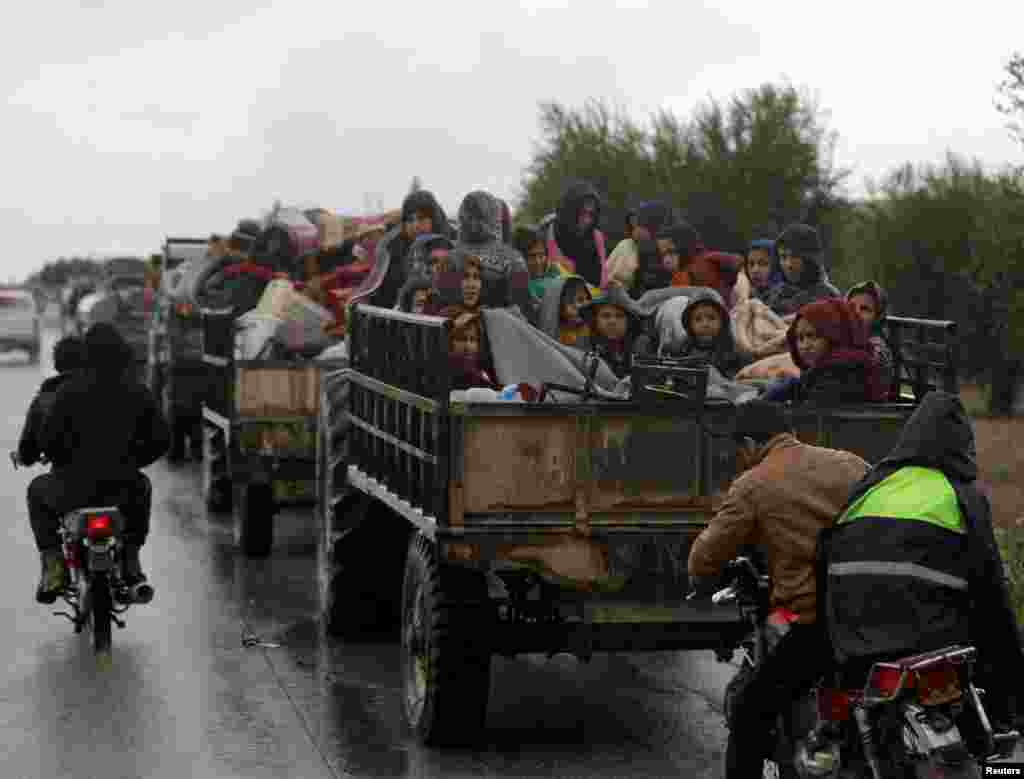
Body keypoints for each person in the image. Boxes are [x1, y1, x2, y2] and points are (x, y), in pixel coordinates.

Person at [687, 400, 871, 779]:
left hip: (815, 620)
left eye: (740, 448)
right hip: (872, 610)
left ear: (752, 444)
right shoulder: (850, 463)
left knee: (751, 711)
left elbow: (705, 556)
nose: (740, 457)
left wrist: (700, 581)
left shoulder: (754, 484)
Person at [820, 391, 1024, 730]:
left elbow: (823, 555)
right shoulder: (960, 494)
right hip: (929, 640)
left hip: (854, 641)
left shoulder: (871, 485)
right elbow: (990, 587)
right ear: (962, 445)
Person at [31, 323, 170, 603]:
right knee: (143, 486)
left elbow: (47, 441)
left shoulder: (67, 393)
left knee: (36, 491)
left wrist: (64, 460)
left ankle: (54, 565)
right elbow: (161, 440)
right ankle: (131, 561)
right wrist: (133, 462)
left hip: (70, 491)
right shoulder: (138, 391)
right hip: (124, 490)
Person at [761, 297, 888, 405]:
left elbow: (811, 413)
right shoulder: (826, 368)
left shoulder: (843, 371)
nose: (805, 346)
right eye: (800, 338)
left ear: (834, 336)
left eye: (812, 336)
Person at [358, 190, 451, 310]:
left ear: (434, 218)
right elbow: (379, 291)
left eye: (422, 218)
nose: (415, 225)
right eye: (410, 220)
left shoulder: (448, 245)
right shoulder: (392, 250)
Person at [452, 191, 530, 312]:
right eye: (471, 217)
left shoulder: (452, 257)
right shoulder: (513, 259)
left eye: (478, 217)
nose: (474, 224)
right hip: (491, 325)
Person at [17, 336, 86, 468]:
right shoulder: (107, 391)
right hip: (111, 475)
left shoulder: (46, 396)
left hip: (66, 477)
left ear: (56, 365)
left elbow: (27, 453)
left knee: (38, 486)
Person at [650, 289, 751, 379]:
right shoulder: (682, 349)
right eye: (698, 319)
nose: (705, 324)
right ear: (689, 325)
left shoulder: (731, 351)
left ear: (722, 322)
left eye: (711, 318)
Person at [760, 224, 840, 317]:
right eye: (783, 257)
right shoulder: (771, 296)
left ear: (810, 259)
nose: (788, 264)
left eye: (795, 256)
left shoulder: (829, 298)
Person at [659, 222, 742, 309]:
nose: (666, 260)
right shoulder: (678, 276)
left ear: (684, 246)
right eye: (663, 254)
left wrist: (731, 281)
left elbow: (737, 261)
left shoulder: (707, 260)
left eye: (671, 251)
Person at [546, 180, 608, 288]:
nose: (587, 220)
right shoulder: (552, 233)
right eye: (582, 213)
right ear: (571, 211)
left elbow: (603, 278)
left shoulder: (596, 237)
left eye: (591, 214)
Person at [576, 285, 645, 379]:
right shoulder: (584, 349)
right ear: (596, 321)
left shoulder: (638, 351)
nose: (612, 321)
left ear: (629, 323)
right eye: (606, 316)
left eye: (619, 316)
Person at [846, 280, 895, 398]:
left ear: (877, 316)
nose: (856, 313)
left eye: (865, 309)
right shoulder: (847, 338)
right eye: (851, 307)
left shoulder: (877, 346)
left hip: (864, 410)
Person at [537, 275, 592, 346]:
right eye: (580, 300)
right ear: (559, 305)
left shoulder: (588, 330)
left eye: (587, 298)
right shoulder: (551, 338)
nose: (587, 304)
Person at [447, 312, 495, 390]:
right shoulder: (449, 370)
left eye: (472, 339)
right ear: (450, 341)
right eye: (461, 339)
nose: (468, 345)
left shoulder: (484, 367)